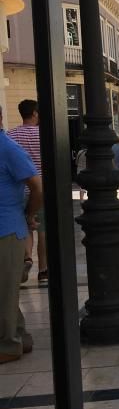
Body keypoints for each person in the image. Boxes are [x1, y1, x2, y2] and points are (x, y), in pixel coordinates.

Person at [0, 103, 42, 364]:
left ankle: (8, 345)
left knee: (3, 291)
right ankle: (19, 337)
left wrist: (28, 214)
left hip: (7, 228)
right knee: (4, 290)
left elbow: (37, 186)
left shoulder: (8, 147)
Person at [8, 100, 47, 287]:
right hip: (40, 188)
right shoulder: (44, 135)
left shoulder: (11, 135)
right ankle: (44, 270)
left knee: (26, 228)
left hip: (19, 189)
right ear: (34, 113)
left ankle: (27, 259)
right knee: (43, 230)